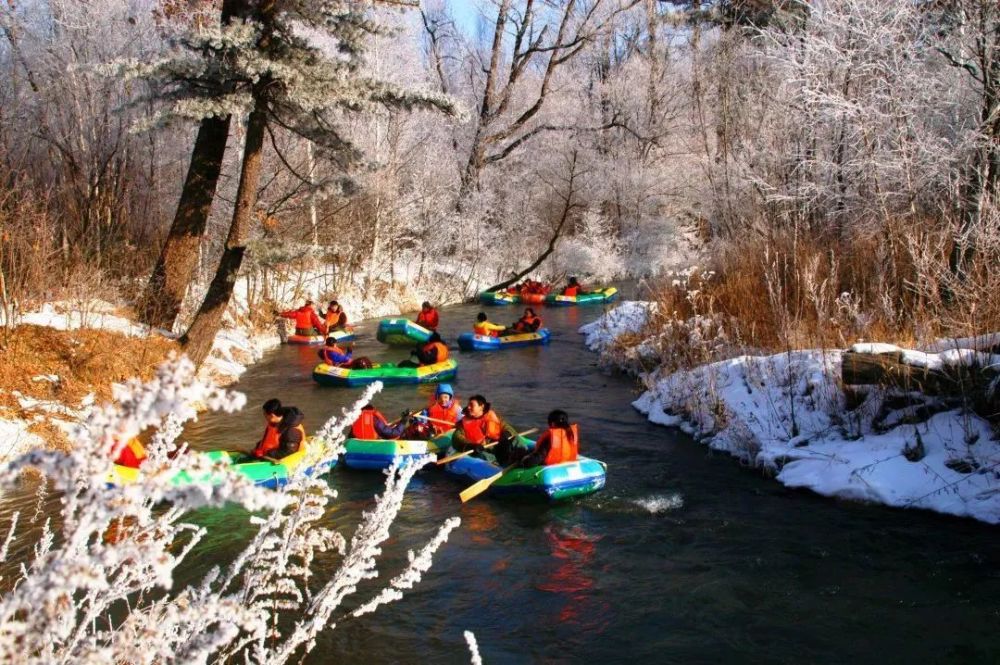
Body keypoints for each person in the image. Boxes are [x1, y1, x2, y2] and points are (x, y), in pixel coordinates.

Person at [451, 395, 524, 464]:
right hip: (482, 449)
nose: (468, 407)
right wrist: (471, 445)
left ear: (481, 407)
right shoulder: (463, 424)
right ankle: (497, 465)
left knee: (516, 439)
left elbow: (505, 426)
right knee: (482, 455)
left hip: (498, 445)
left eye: (471, 405)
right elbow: (457, 437)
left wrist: (506, 433)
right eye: (468, 405)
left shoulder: (492, 416)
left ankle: (523, 456)